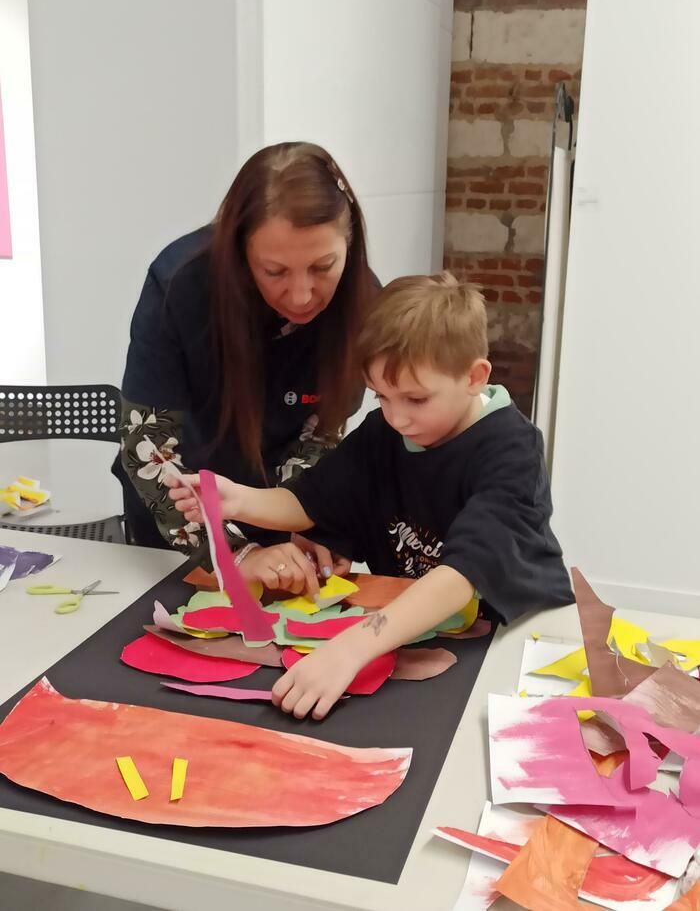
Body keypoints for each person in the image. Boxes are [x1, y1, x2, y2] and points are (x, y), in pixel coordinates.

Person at [168, 272, 573, 719]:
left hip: (521, 639)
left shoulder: (511, 450)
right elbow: (309, 501)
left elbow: (460, 577)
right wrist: (238, 500)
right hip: (426, 631)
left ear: (474, 377)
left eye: (416, 399)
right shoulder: (386, 431)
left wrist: (350, 649)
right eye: (382, 396)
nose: (398, 417)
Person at [115, 142, 376, 598]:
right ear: (240, 251)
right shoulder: (180, 284)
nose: (301, 295)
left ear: (349, 246)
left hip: (277, 517)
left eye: (323, 267)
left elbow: (321, 436)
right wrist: (233, 553)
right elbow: (147, 444)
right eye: (275, 271)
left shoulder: (361, 303)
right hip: (178, 523)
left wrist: (308, 520)